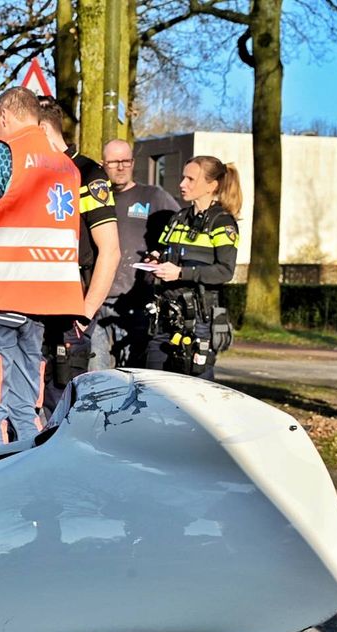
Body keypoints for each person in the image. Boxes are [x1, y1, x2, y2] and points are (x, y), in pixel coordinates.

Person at [0, 86, 84, 449]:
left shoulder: (5, 150)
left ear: (4, 116)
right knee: (27, 405)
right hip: (43, 305)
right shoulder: (66, 166)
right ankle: (34, 474)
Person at [35, 99, 119, 410]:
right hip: (37, 305)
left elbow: (110, 249)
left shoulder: (88, 173)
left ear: (43, 130)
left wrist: (86, 311)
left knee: (63, 400)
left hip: (72, 309)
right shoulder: (36, 172)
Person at [145, 156, 240, 380]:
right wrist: (154, 259)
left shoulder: (222, 223)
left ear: (211, 185)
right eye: (183, 178)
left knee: (196, 390)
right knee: (152, 384)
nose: (182, 184)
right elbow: (163, 250)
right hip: (166, 317)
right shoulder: (177, 219)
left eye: (190, 179)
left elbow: (225, 271)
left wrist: (180, 273)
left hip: (198, 321)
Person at [99, 138, 179, 368]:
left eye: (126, 161)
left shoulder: (154, 196)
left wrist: (160, 254)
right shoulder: (94, 199)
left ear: (133, 162)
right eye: (114, 162)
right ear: (103, 164)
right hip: (96, 300)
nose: (121, 167)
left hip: (136, 303)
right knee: (97, 374)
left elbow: (179, 233)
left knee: (131, 373)